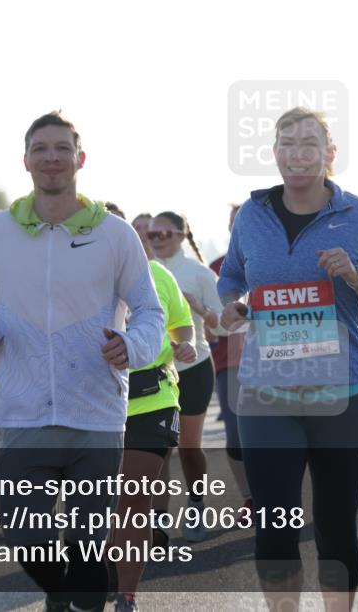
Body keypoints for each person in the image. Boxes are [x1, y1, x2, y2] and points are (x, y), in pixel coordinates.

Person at [0, 111, 164, 612]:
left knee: (88, 551)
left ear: (80, 159)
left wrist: (131, 347)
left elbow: (150, 311)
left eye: (62, 148)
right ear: (25, 160)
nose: (51, 157)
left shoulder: (114, 234)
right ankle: (67, 597)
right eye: (41, 148)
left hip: (95, 410)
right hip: (22, 410)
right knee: (26, 537)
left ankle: (77, 598)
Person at [218, 107, 358, 611]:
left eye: (309, 143)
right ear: (274, 152)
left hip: (342, 396)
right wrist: (232, 304)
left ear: (330, 154)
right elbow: (230, 275)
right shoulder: (252, 216)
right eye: (287, 142)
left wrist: (356, 277)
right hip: (266, 395)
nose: (297, 153)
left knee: (336, 532)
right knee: (275, 533)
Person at [107, 202, 196, 612]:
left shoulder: (157, 275)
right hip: (93, 401)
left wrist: (185, 341)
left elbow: (180, 321)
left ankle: (127, 595)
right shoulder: (72, 282)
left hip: (153, 396)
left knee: (135, 497)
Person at [147, 210, 227, 542]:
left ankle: (195, 505)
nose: (158, 240)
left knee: (188, 447)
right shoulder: (140, 271)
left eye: (165, 234)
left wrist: (200, 310)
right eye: (153, 235)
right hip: (156, 373)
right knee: (157, 450)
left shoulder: (199, 273)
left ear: (182, 236)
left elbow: (224, 324)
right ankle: (158, 522)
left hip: (193, 370)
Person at [207, 204, 252, 516]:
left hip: (279, 362)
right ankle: (250, 498)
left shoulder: (274, 262)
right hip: (230, 363)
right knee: (236, 437)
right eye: (235, 223)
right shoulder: (217, 267)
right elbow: (212, 323)